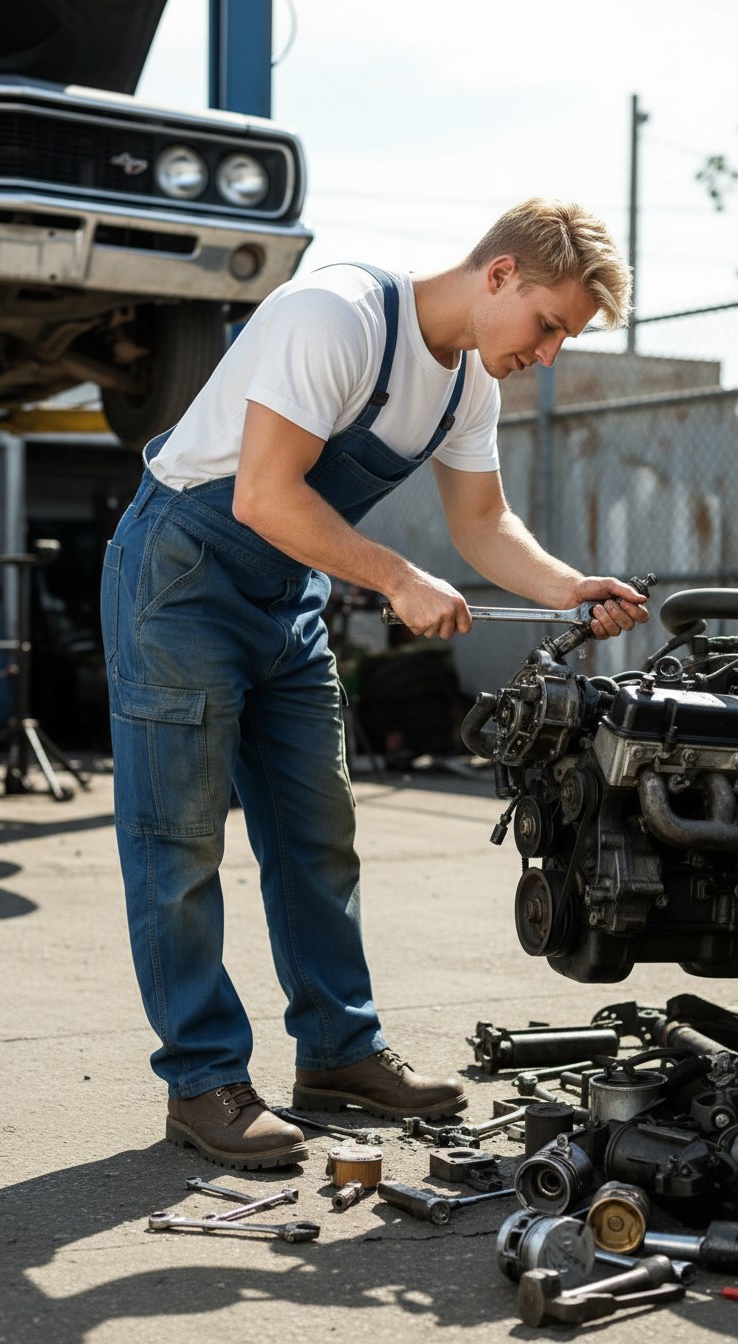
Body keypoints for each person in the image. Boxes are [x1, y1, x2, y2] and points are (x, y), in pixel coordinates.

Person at [100, 197, 649, 1171]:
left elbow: (483, 525)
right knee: (178, 843)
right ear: (500, 277)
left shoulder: (465, 385)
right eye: (550, 324)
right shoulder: (339, 316)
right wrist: (395, 575)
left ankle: (339, 1054)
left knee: (320, 834)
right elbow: (265, 492)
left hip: (283, 597)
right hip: (180, 577)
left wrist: (571, 588)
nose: (550, 352)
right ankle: (203, 1081)